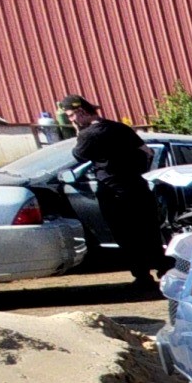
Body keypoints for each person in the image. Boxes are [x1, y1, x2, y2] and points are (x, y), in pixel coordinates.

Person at [58, 94, 168, 289]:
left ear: (80, 111)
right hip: (138, 187)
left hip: (113, 192)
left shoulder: (88, 135)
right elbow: (148, 152)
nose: (71, 120)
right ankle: (163, 270)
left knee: (125, 235)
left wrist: (78, 131)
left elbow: (79, 155)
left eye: (71, 116)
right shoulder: (119, 127)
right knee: (148, 230)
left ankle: (142, 276)